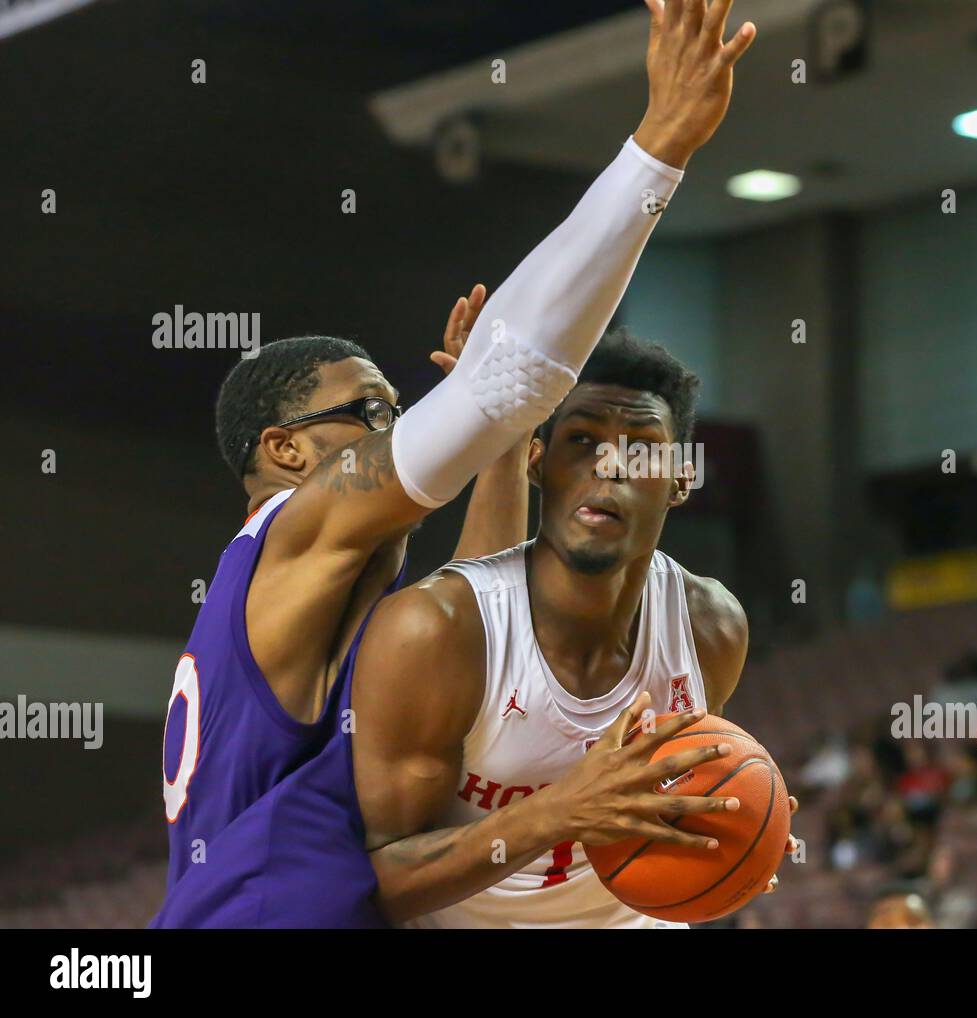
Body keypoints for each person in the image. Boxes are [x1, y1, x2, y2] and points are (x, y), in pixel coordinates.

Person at [152, 0, 760, 928]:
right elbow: (503, 385)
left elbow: (486, 591)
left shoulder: (340, 602)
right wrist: (661, 144)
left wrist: (506, 452)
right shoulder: (297, 527)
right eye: (372, 413)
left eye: (400, 408)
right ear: (284, 451)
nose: (401, 430)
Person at [353, 330, 797, 927]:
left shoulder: (711, 627)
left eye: (641, 449)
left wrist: (738, 834)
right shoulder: (434, 630)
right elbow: (374, 882)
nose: (609, 466)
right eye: (583, 440)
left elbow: (667, 812)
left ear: (681, 480)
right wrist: (562, 811)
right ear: (538, 462)